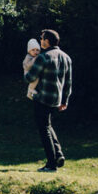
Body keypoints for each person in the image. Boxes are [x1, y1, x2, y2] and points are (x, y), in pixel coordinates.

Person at [24, 29, 72, 172]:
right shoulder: (66, 57)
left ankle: (51, 164)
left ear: (47, 41)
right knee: (48, 125)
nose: (41, 41)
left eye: (42, 38)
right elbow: (68, 83)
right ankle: (58, 154)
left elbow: (31, 77)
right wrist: (65, 101)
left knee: (43, 129)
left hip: (42, 97)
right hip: (56, 99)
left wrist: (25, 74)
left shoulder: (43, 57)